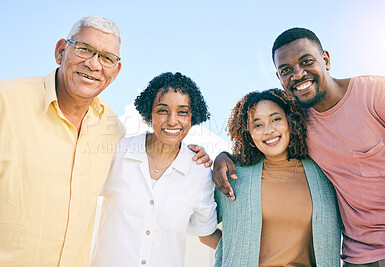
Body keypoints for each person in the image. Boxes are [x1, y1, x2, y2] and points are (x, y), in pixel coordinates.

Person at [0, 16, 210, 267]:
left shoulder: (112, 131)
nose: (93, 64)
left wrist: (220, 160)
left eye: (107, 58)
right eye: (84, 49)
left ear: (115, 71)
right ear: (60, 51)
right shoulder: (7, 102)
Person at [213, 27, 385, 266]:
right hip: (356, 257)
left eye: (306, 61)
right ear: (279, 78)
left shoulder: (381, 94)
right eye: (286, 70)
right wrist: (223, 155)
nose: (298, 74)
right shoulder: (299, 124)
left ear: (326, 60)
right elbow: (265, 140)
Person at [90, 72, 221, 267]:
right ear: (149, 113)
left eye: (183, 112)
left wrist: (266, 257)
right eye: (162, 110)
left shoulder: (199, 172)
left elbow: (207, 233)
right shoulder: (118, 152)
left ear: (193, 117)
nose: (172, 120)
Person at [212, 88, 341, 266]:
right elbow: (203, 228)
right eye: (257, 125)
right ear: (248, 134)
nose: (269, 130)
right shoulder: (234, 176)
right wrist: (235, 251)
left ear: (290, 121)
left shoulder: (323, 171)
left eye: (276, 119)